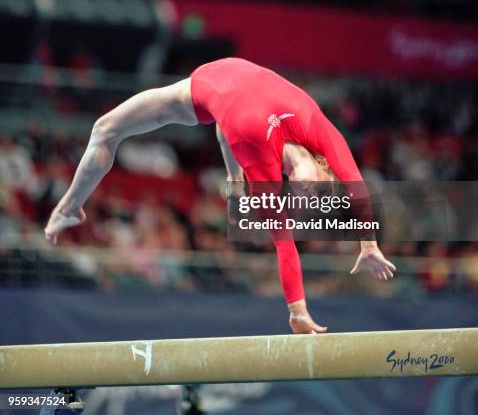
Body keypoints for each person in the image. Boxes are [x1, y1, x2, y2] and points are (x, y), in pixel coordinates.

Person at [45, 57, 396, 333]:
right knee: (105, 130)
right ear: (324, 166)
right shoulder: (320, 133)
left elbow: (283, 242)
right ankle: (72, 207)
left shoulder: (266, 176)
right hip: (232, 87)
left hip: (204, 93)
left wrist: (297, 310)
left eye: (310, 200)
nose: (310, 194)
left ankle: (69, 207)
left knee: (106, 129)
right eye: (322, 189)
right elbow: (357, 188)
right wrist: (368, 244)